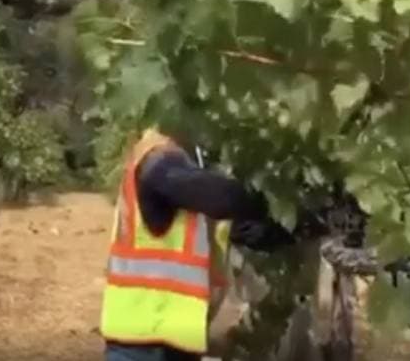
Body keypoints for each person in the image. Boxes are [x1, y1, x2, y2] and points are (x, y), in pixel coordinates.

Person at [99, 126, 293, 361]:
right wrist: (269, 198)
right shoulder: (157, 160)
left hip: (175, 342)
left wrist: (299, 224)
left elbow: (248, 231)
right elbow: (222, 198)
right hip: (141, 343)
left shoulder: (190, 176)